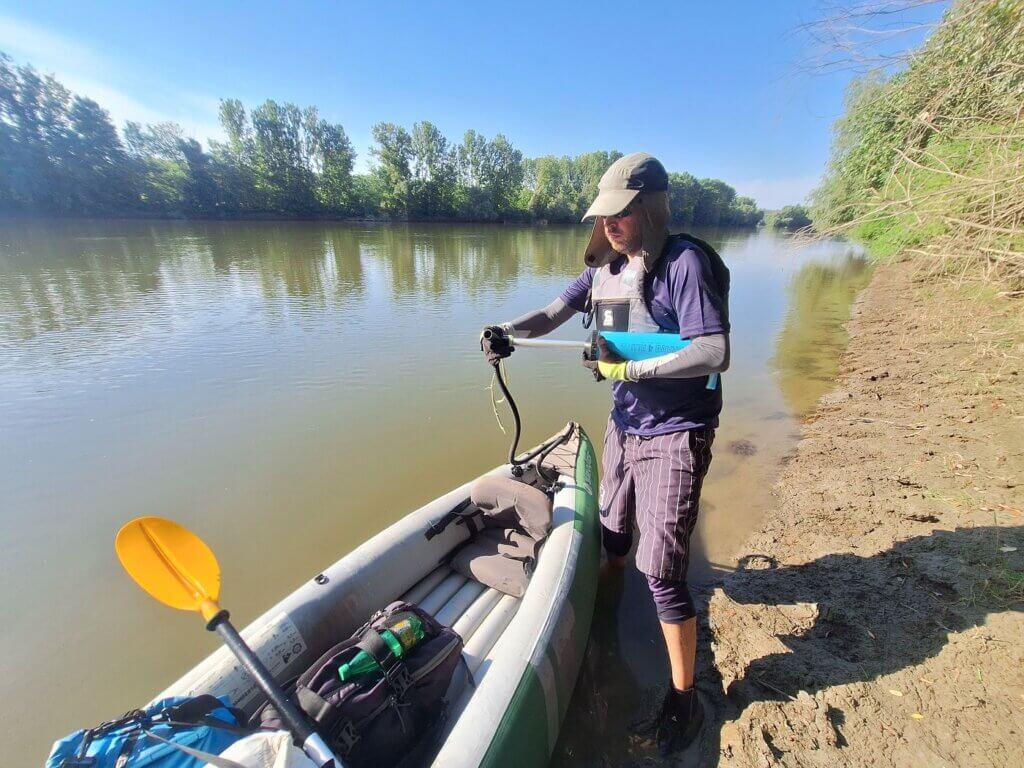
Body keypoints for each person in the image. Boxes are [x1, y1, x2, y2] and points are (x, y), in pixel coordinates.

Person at [480, 152, 730, 756]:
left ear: (649, 207)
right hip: (625, 423)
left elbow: (714, 351)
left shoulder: (685, 264)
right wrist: (507, 331)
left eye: (620, 214)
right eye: (605, 216)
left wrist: (633, 366)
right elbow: (552, 313)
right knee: (614, 536)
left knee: (663, 572)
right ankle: (609, 616)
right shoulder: (605, 272)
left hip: (676, 430)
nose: (610, 225)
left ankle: (682, 699)